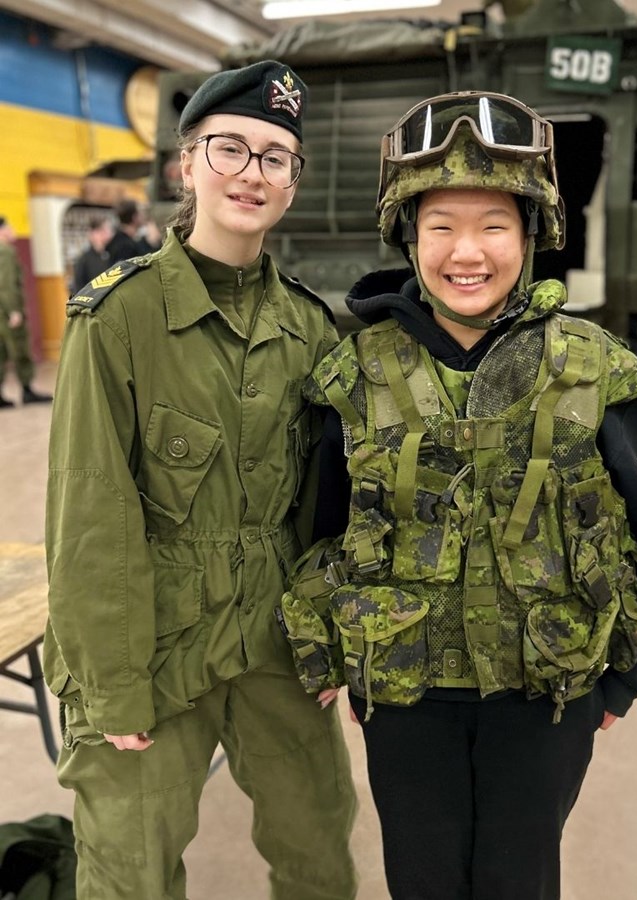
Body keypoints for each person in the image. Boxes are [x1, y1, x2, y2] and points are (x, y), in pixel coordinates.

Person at [280, 90, 637, 900]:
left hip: (546, 698)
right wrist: (334, 654)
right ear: (409, 236)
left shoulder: (594, 370)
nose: (468, 252)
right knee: (421, 879)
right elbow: (321, 529)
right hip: (406, 697)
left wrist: (629, 675)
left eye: (495, 224)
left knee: (519, 878)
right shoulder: (353, 377)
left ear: (532, 234)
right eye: (442, 227)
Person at [43, 59, 358, 899]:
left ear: (292, 182)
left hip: (278, 636)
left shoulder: (310, 327)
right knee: (129, 871)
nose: (251, 174)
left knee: (321, 849)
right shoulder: (118, 319)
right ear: (187, 164)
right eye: (230, 149)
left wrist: (328, 641)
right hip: (153, 637)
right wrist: (111, 688)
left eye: (275, 157)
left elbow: (330, 509)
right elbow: (90, 517)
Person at [0, 216, 49, 406]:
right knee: (20, 348)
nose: (13, 230)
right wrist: (14, 311)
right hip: (7, 311)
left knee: (1, 352)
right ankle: (27, 390)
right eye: (10, 227)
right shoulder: (5, 252)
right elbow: (7, 285)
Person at [69, 215, 115, 295]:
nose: (108, 234)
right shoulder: (83, 259)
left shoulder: (110, 254)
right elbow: (78, 288)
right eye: (103, 230)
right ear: (93, 233)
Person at [104, 199, 159, 265]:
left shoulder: (120, 241)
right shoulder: (125, 246)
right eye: (140, 213)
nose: (143, 215)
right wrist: (152, 244)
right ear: (134, 217)